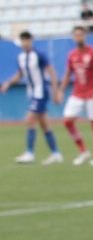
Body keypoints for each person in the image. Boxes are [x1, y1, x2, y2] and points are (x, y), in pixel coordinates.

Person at [2, 32, 63, 164]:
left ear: (31, 40)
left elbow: (51, 72)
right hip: (31, 93)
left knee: (29, 119)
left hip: (41, 93)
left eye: (27, 40)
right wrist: (8, 83)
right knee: (44, 124)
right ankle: (56, 153)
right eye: (23, 40)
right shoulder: (21, 57)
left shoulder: (39, 55)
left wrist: (56, 91)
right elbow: (19, 75)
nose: (25, 43)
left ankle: (30, 153)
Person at [57, 26, 93, 165]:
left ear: (85, 36)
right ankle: (83, 151)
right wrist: (61, 90)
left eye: (81, 35)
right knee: (67, 121)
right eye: (76, 35)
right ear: (73, 37)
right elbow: (67, 74)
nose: (79, 37)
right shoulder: (72, 55)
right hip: (77, 93)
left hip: (92, 93)